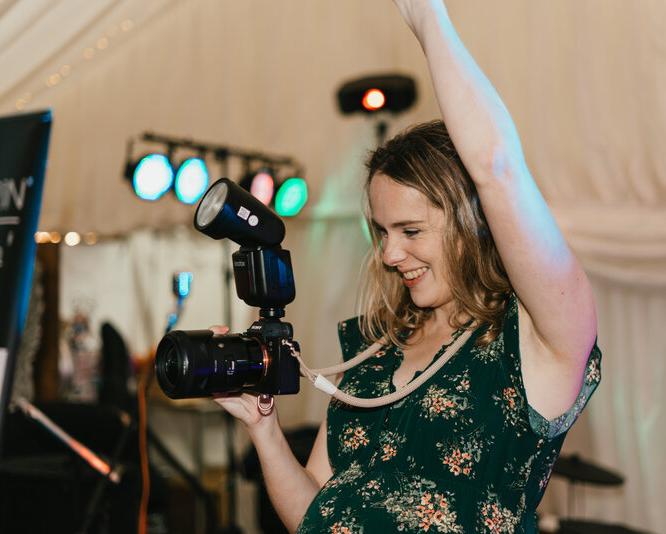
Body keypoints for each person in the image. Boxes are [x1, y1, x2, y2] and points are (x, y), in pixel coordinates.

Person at [214, 1, 601, 532]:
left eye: (411, 231)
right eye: (382, 232)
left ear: (474, 222)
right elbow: (316, 515)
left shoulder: (535, 336)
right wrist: (263, 430)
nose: (390, 255)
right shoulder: (375, 353)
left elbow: (497, 169)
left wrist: (428, 19)